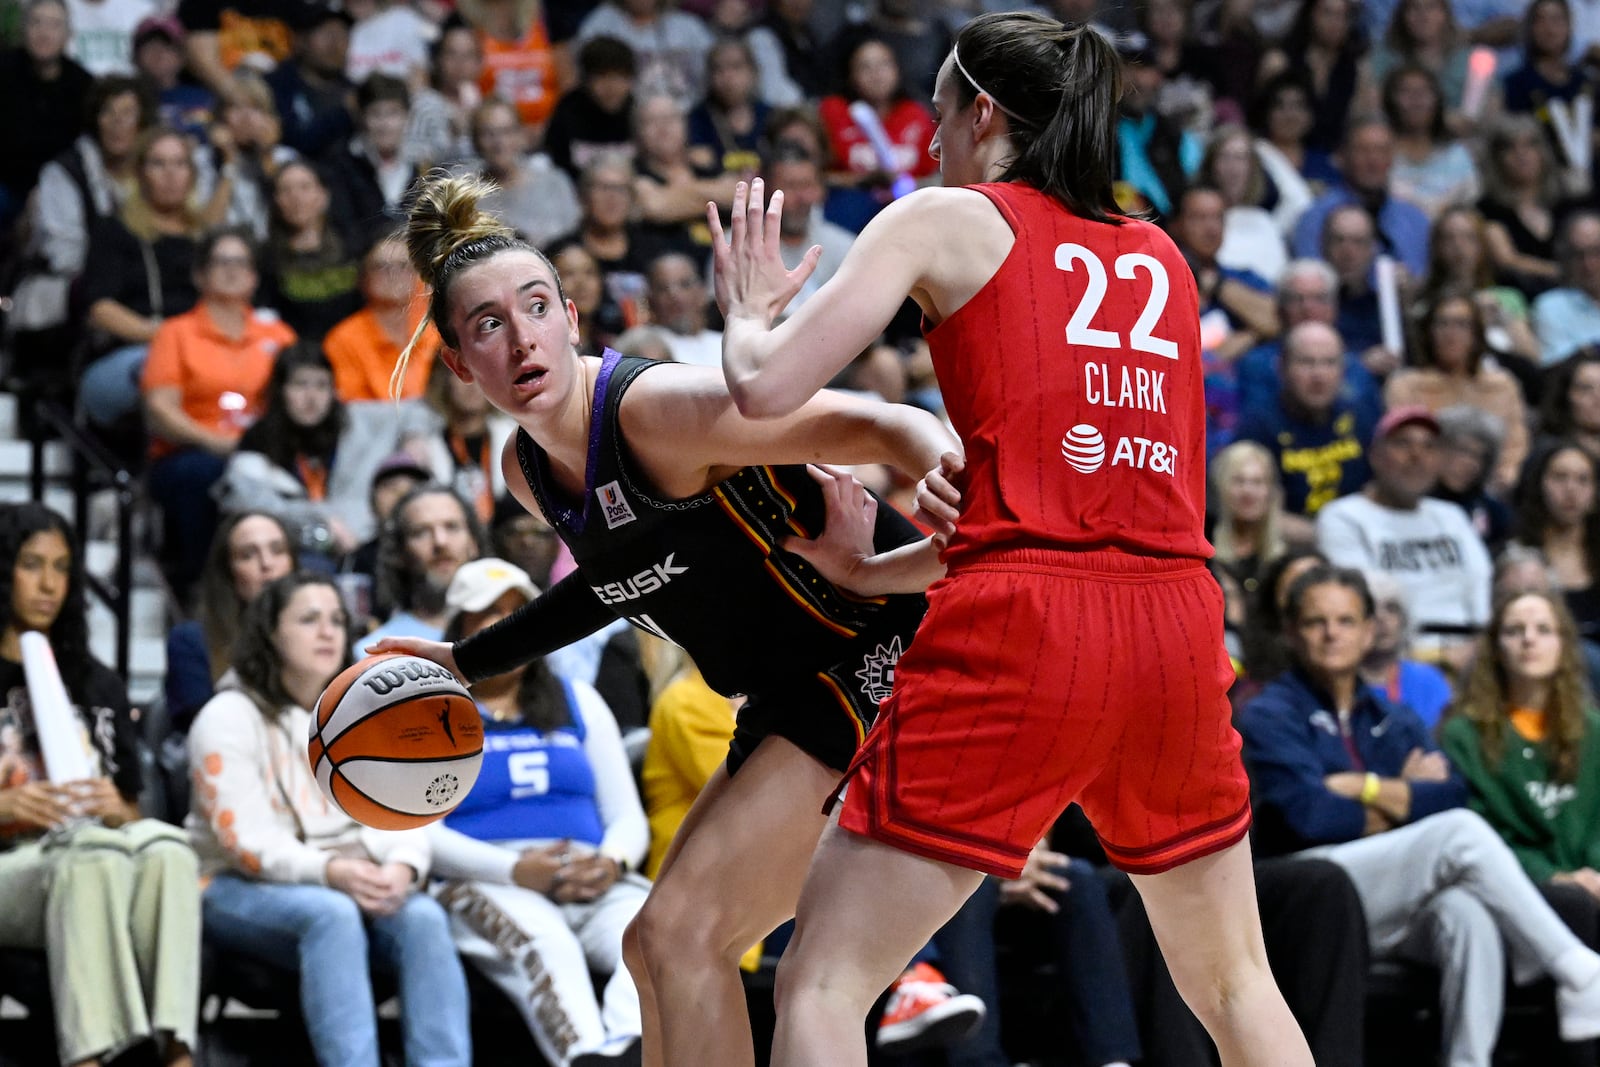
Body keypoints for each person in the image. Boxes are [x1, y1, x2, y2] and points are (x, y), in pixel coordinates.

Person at [706, 11, 1312, 1066]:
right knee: (1232, 979)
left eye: (937, 110)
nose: (929, 137)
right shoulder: (1161, 255)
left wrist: (750, 312)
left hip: (1031, 625)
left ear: (981, 110)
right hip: (1175, 622)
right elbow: (1084, 511)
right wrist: (876, 568)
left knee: (824, 977)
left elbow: (762, 388)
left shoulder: (943, 216)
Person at [370, 168, 959, 1067]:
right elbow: (618, 579)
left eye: (536, 308)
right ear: (459, 362)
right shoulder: (526, 470)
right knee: (654, 945)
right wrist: (465, 656)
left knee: (697, 939)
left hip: (876, 645)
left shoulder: (656, 413)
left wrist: (950, 480)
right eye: (489, 324)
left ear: (571, 318)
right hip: (787, 682)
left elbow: (884, 424)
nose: (521, 338)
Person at [1239, 564, 1600, 1066]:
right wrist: (1404, 794)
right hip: (1313, 887)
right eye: (1316, 621)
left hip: (1389, 890)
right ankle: (1577, 968)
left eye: (1345, 621)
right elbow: (1310, 816)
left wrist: (1361, 788)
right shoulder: (1269, 712)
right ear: (1293, 633)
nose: (1331, 634)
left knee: (1466, 915)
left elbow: (1450, 793)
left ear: (1369, 631)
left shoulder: (1392, 716)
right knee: (1458, 835)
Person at [187, 571, 472, 1067]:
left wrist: (400, 867)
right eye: (309, 619)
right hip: (231, 884)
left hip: (344, 876)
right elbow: (246, 842)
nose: (328, 632)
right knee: (331, 915)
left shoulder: (363, 713)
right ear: (270, 631)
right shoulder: (225, 715)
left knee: (424, 916)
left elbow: (407, 812)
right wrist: (332, 873)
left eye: (337, 620)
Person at [427, 558, 650, 1067]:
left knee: (654, 931)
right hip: (487, 877)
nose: (503, 625)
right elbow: (421, 833)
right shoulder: (426, 715)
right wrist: (516, 871)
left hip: (589, 875)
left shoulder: (578, 701)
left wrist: (611, 861)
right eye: (487, 613)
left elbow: (626, 817)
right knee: (546, 943)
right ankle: (586, 1058)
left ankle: (625, 1051)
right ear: (458, 627)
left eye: (515, 611)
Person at [0, 502, 201, 1067]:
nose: (48, 585)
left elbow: (132, 813)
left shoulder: (97, 682)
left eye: (62, 568)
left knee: (169, 850)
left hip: (94, 849)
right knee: (94, 857)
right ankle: (88, 1059)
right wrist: (8, 803)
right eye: (31, 565)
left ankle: (177, 1053)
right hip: (12, 862)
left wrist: (118, 808)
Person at [140, 225, 296, 598]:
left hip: (262, 455)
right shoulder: (176, 333)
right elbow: (160, 409)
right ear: (199, 274)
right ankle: (200, 583)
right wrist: (218, 443)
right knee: (205, 472)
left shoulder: (278, 336)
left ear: (255, 276)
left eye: (241, 262)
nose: (232, 270)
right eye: (221, 262)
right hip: (190, 457)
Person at [1442, 589, 1600, 957]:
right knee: (1572, 904)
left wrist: (1592, 873)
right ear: (1496, 647)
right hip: (1514, 885)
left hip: (1591, 878)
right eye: (1515, 630)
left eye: (1543, 629)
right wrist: (1555, 875)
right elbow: (1480, 832)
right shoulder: (1464, 735)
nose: (1529, 639)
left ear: (1563, 644)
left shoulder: (1593, 729)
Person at [212, 341, 437, 558]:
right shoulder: (258, 441)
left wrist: (414, 438)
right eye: (300, 385)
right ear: (280, 390)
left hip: (368, 538)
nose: (311, 398)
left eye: (321, 385)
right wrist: (318, 521)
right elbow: (246, 502)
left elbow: (419, 409)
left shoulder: (355, 420)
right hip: (296, 545)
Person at [1317, 405, 1493, 668]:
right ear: (1375, 455)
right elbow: (1365, 606)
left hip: (1471, 656)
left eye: (1429, 447)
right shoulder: (1343, 517)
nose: (1416, 456)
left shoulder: (1451, 516)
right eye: (1402, 444)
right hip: (1390, 660)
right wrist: (1437, 659)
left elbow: (1481, 591)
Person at [1383, 287, 1530, 493]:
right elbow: (1400, 449)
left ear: (1476, 333)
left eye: (1462, 324)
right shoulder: (1406, 385)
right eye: (1442, 324)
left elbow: (1516, 451)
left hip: (1493, 491)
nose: (1451, 333)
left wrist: (1503, 481)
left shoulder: (1502, 386)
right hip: (1426, 491)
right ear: (1429, 332)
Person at [164, 509, 295, 733]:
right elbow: (206, 729)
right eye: (248, 555)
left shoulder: (321, 636)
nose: (266, 563)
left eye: (277, 550)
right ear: (227, 572)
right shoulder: (191, 641)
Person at [1235, 321, 1376, 522]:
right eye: (1306, 362)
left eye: (1329, 362)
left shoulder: (1360, 416)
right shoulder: (1258, 427)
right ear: (1281, 368)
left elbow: (1378, 490)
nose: (1319, 375)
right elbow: (1247, 511)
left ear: (1344, 369)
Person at [322, 230, 440, 403]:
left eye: (403, 266)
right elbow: (352, 407)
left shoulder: (437, 331)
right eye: (381, 266)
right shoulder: (343, 339)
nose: (393, 274)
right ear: (364, 278)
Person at [368, 484, 488, 645]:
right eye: (421, 532)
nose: (440, 541)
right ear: (400, 553)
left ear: (474, 543)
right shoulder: (377, 651)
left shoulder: (509, 632)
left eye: (452, 526)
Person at [1359, 568, 1454, 729]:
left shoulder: (1428, 681)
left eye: (1392, 608)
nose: (1382, 618)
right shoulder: (1338, 683)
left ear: (1404, 621)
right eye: (1371, 609)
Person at [1533, 211, 1600, 367]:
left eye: (1597, 252)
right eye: (1578, 255)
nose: (1589, 264)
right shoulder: (1551, 306)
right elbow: (1559, 369)